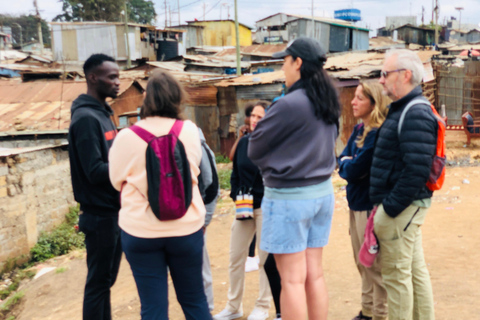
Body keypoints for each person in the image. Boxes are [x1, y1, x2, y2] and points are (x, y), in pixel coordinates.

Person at [248, 37, 341, 320]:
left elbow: (254, 148)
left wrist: (277, 165)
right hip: (321, 194)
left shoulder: (289, 104)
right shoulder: (327, 100)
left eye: (284, 61)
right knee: (314, 274)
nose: (282, 68)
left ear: (298, 62)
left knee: (290, 280)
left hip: (290, 199)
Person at [108, 69, 211, 320]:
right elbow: (195, 170)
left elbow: (115, 181)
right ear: (177, 98)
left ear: (147, 99)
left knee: (153, 308)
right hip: (186, 229)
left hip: (141, 232)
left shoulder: (126, 136)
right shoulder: (189, 130)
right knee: (195, 300)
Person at [370, 49, 437, 320]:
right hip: (404, 210)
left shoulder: (414, 113)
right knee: (414, 271)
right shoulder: (405, 109)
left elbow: (416, 170)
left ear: (405, 75)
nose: (381, 80)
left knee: (397, 278)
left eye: (386, 74)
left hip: (401, 211)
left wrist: (389, 208)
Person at [68, 53, 122, 320]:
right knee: (98, 284)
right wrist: (129, 167)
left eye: (118, 76)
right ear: (93, 78)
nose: (117, 82)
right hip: (100, 215)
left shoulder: (103, 115)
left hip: (112, 212)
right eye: (111, 77)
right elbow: (94, 171)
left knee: (104, 283)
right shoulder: (87, 119)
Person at [214, 101, 271, 320]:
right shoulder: (245, 142)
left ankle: (263, 306)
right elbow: (235, 171)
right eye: (253, 116)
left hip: (266, 206)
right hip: (244, 206)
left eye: (260, 117)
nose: (255, 120)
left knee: (265, 259)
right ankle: (233, 306)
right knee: (235, 256)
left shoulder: (274, 144)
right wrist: (237, 196)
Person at [338, 80, 390, 320]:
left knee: (374, 265)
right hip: (355, 203)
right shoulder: (360, 130)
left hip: (370, 206)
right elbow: (342, 160)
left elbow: (356, 167)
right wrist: (348, 163)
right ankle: (367, 310)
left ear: (374, 102)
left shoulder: (377, 133)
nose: (353, 101)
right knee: (362, 263)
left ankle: (380, 314)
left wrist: (348, 163)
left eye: (359, 97)